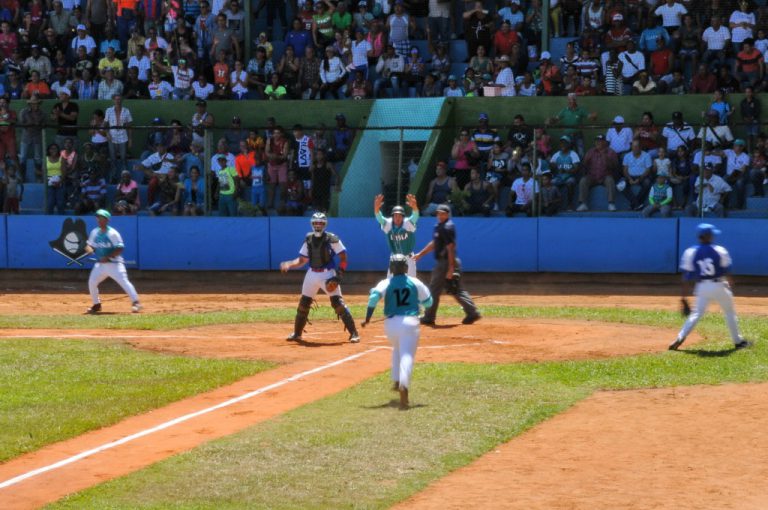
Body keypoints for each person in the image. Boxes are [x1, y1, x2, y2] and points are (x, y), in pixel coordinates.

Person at [362, 253, 432, 409]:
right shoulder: (414, 282)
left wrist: (367, 319)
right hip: (410, 323)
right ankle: (403, 384)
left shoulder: (386, 282)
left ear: (391, 268)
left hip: (391, 324)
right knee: (407, 355)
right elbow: (429, 302)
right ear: (406, 268)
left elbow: (373, 298)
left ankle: (396, 379)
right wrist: (422, 305)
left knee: (397, 348)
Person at [280, 212, 360, 343]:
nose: (318, 225)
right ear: (312, 224)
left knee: (337, 303)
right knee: (304, 303)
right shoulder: (308, 238)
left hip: (328, 273)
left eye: (320, 223)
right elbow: (302, 260)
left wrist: (338, 276)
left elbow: (344, 258)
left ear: (325, 224)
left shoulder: (332, 238)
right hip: (311, 273)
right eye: (315, 223)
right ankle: (297, 333)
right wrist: (289, 264)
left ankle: (354, 333)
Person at [669, 224, 752, 351]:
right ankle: (738, 341)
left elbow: (685, 277)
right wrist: (730, 282)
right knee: (729, 312)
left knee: (696, 313)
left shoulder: (690, 252)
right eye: (711, 234)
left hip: (702, 287)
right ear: (707, 236)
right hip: (719, 285)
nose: (713, 236)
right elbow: (727, 270)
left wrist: (684, 297)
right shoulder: (720, 250)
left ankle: (680, 338)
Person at [413, 204, 480, 326]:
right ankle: (472, 312)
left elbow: (450, 248)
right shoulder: (440, 226)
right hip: (446, 262)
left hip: (446, 262)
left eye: (443, 213)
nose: (440, 215)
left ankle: (429, 317)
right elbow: (435, 243)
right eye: (438, 213)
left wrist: (451, 268)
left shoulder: (447, 227)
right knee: (455, 289)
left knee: (435, 289)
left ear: (447, 214)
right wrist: (420, 254)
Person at [85, 209, 142, 314]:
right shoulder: (95, 232)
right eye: (98, 218)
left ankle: (136, 303)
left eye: (101, 218)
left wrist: (108, 257)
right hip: (100, 265)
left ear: (107, 220)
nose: (99, 220)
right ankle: (96, 305)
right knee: (92, 282)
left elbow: (120, 248)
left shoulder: (112, 233)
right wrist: (89, 250)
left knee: (124, 283)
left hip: (114, 264)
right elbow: (89, 245)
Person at [374, 193, 419, 276]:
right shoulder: (388, 225)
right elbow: (379, 218)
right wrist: (376, 209)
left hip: (408, 258)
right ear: (392, 216)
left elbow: (415, 216)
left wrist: (415, 208)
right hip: (395, 259)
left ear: (403, 217)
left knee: (412, 283)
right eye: (395, 215)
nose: (397, 218)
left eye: (400, 215)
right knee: (390, 284)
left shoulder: (408, 224)